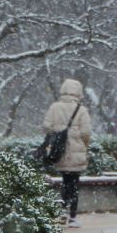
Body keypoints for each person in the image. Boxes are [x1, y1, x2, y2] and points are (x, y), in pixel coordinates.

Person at [43, 78, 94, 225]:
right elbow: (86, 132)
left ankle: (63, 210)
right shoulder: (81, 110)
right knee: (74, 184)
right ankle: (73, 216)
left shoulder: (55, 107)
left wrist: (58, 133)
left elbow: (46, 126)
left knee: (65, 181)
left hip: (61, 150)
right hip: (77, 151)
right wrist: (83, 144)